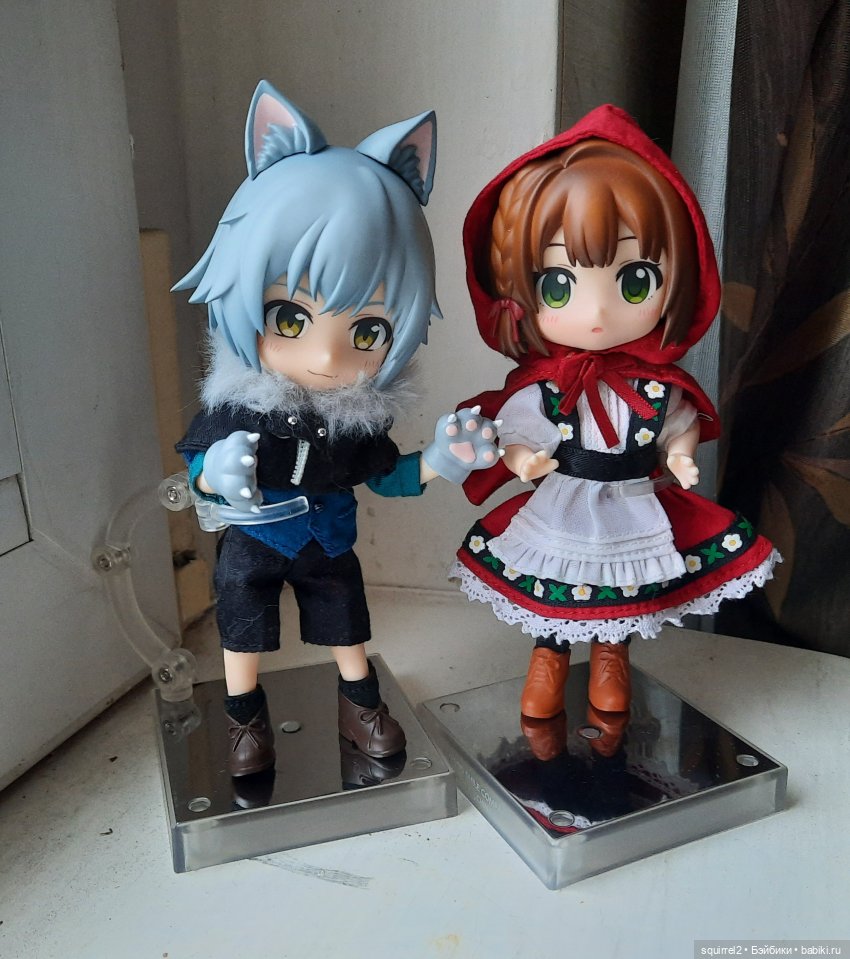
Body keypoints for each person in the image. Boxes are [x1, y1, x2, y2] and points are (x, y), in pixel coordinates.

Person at [176, 81, 496, 777]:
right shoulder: (239, 405)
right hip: (254, 540)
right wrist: (216, 472)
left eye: (368, 331)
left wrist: (442, 458)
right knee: (242, 633)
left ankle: (361, 705)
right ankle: (243, 721)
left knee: (347, 625)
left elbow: (391, 476)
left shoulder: (356, 419)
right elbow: (198, 468)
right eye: (290, 318)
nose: (327, 356)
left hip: (328, 541)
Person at [451, 105, 779, 719]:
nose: (598, 312)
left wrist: (680, 457)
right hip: (566, 498)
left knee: (620, 593)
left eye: (635, 282)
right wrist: (522, 459)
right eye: (558, 286)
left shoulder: (658, 388)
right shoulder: (545, 387)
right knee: (553, 590)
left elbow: (679, 427)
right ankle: (549, 659)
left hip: (632, 500)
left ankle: (611, 657)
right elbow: (517, 430)